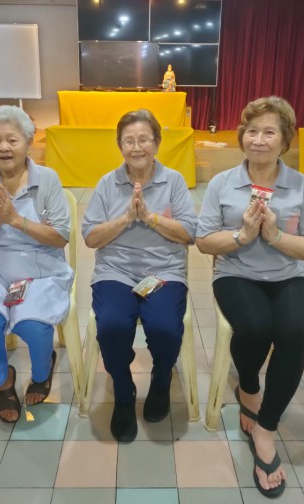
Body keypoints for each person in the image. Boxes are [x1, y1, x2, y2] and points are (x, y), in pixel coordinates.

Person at [195, 96, 304, 498]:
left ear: (285, 139)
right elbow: (203, 241)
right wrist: (243, 236)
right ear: (242, 136)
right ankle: (249, 386)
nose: (258, 139)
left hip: (288, 275)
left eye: (269, 132)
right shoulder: (223, 183)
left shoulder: (302, 186)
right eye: (251, 131)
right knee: (254, 326)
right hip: (236, 272)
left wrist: (276, 236)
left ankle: (266, 428)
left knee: (293, 331)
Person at [82, 108, 197, 442]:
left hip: (163, 271)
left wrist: (150, 217)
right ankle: (123, 389)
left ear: (157, 143)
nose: (136, 147)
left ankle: (161, 380)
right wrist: (125, 219)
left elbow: (189, 233)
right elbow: (90, 237)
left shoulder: (173, 181)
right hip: (116, 271)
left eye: (144, 139)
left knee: (164, 328)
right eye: (128, 140)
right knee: (111, 326)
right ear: (120, 145)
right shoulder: (108, 183)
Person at [0, 105, 74, 424]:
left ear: (29, 142)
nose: (4, 147)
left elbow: (60, 237)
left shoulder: (47, 179)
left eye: (12, 139)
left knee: (33, 324)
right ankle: (3, 380)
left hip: (40, 268)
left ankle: (42, 371)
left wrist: (15, 220)